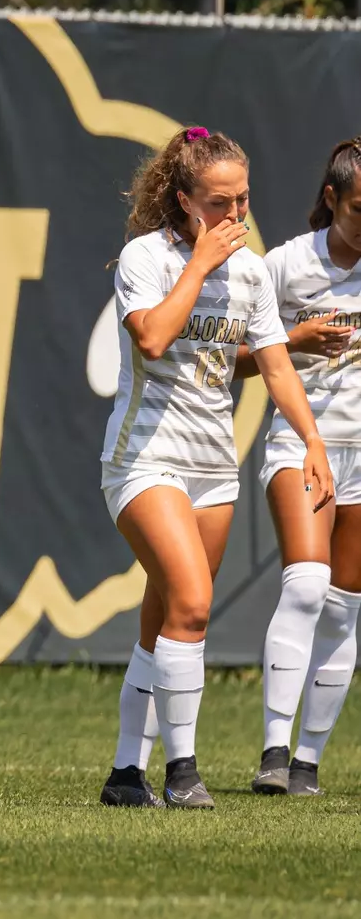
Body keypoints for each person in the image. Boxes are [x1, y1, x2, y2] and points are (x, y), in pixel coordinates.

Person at [98, 126, 332, 811]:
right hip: (143, 459)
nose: (235, 217)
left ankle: (123, 774)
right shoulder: (146, 257)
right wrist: (198, 264)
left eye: (244, 201)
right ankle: (183, 773)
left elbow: (277, 363)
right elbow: (152, 337)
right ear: (184, 200)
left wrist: (311, 440)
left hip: (211, 468)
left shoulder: (254, 272)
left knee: (165, 617)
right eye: (219, 204)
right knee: (194, 605)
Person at [240, 137, 361, 797]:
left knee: (344, 612)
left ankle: (309, 761)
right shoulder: (284, 266)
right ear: (332, 200)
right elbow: (226, 360)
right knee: (309, 585)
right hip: (299, 445)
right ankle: (275, 753)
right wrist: (293, 340)